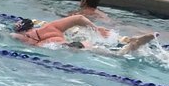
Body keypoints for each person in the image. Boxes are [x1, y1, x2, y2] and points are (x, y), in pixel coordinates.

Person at [13, 15, 153, 53]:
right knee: (106, 50)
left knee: (115, 56)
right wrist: (96, 29)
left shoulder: (23, 37)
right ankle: (133, 44)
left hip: (63, 49)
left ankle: (131, 47)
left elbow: (13, 36)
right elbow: (79, 18)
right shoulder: (51, 27)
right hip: (74, 45)